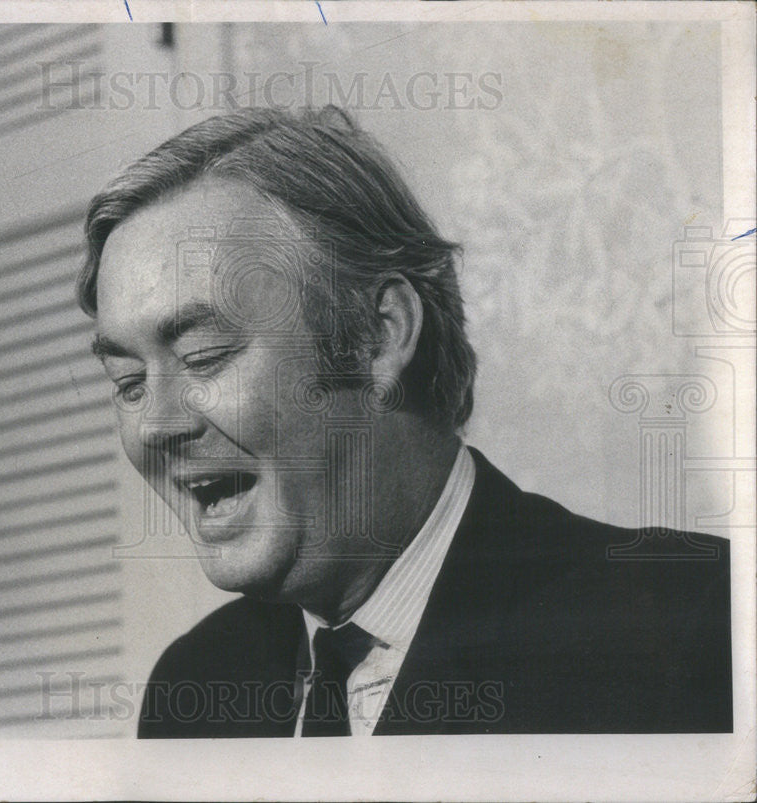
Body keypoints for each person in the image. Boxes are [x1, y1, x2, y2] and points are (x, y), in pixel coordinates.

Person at [77, 106, 732, 737]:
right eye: (128, 383)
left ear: (379, 335)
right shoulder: (196, 687)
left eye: (203, 356)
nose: (156, 425)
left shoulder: (690, 625)